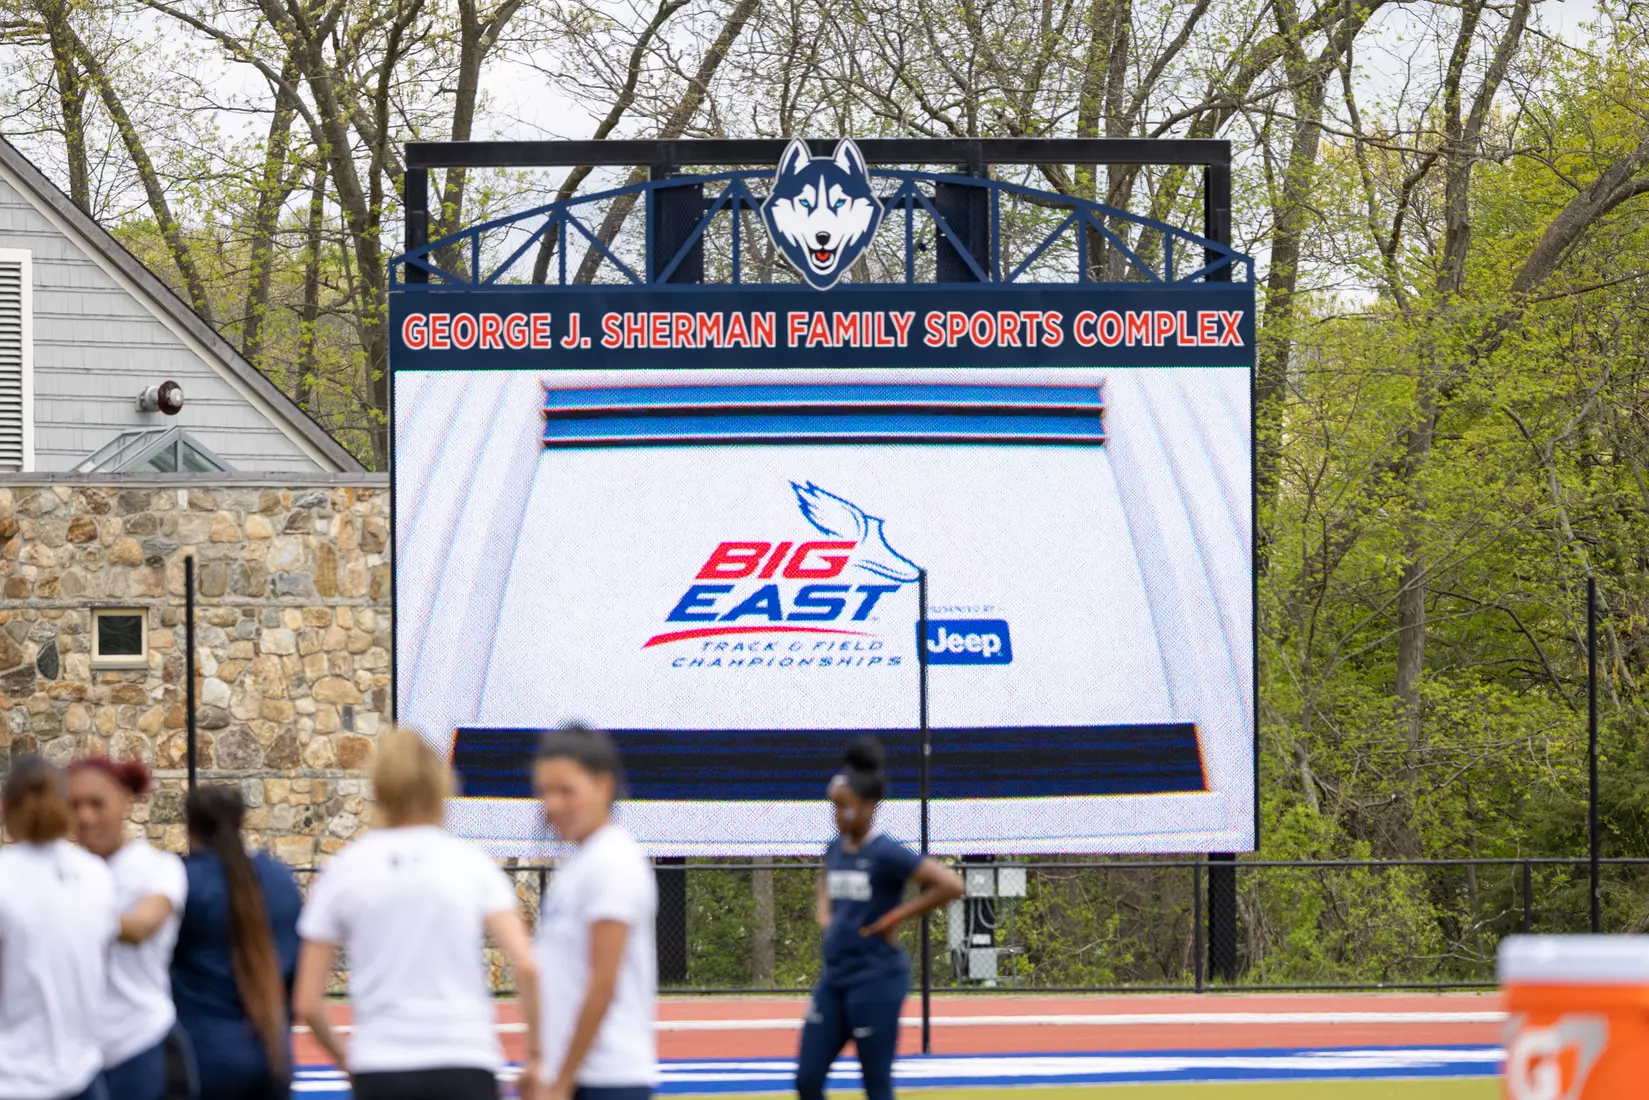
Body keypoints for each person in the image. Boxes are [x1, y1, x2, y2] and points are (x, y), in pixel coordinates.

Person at [293, 729, 543, 1100]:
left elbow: (306, 1001)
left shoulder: (346, 870)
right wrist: (537, 1056)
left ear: (379, 784)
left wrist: (347, 1060)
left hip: (382, 1064)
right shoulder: (472, 865)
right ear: (440, 783)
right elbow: (527, 966)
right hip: (464, 1060)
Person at [794, 737, 963, 1100]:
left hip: (876, 979)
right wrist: (825, 911)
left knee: (876, 1084)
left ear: (869, 806)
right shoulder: (835, 847)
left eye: (846, 807)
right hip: (835, 979)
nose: (838, 815)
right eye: (834, 807)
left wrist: (896, 916)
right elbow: (825, 877)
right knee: (806, 1080)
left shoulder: (886, 852)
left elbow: (950, 884)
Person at [525, 724, 657, 1100]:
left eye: (566, 791)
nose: (551, 805)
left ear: (603, 786)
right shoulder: (580, 862)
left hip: (608, 1078)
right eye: (544, 792)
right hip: (581, 1075)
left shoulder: (612, 863)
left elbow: (602, 983)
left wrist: (562, 1079)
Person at [67, 757, 189, 1100]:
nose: (84, 817)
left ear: (124, 798)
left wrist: (59, 911)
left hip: (141, 1046)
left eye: (96, 803)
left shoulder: (158, 868)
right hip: (79, 1055)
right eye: (74, 805)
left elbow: (141, 927)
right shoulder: (68, 873)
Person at [170, 785, 302, 1100]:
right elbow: (295, 969)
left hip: (203, 1057)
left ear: (189, 827)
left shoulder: (182, 882)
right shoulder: (280, 878)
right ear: (242, 823)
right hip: (272, 1052)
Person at [0, 756, 120, 1100]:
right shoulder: (96, 875)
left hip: (13, 1079)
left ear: (6, 806)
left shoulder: (5, 877)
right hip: (82, 1074)